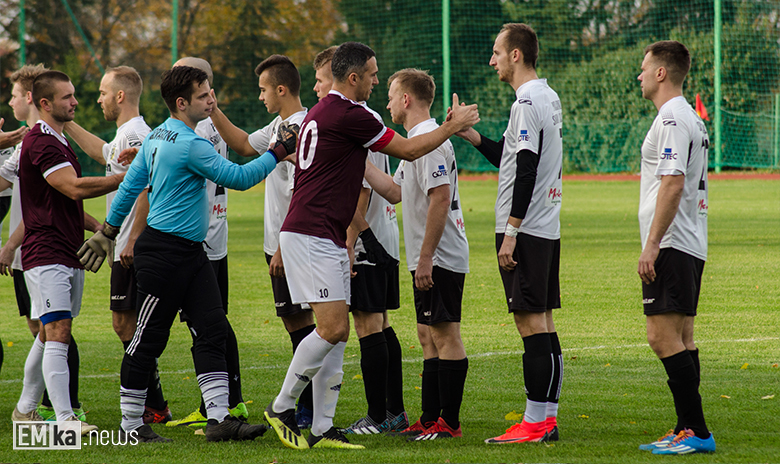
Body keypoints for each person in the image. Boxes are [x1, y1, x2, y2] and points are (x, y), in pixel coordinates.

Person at [263, 41, 479, 451]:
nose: (378, 81)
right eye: (374, 73)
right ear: (353, 78)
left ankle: (323, 428)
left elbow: (386, 186)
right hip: (313, 231)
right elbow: (409, 148)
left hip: (319, 231)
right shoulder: (351, 113)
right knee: (334, 328)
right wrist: (452, 126)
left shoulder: (323, 111)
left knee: (338, 333)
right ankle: (282, 406)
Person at [79, 65, 295, 442]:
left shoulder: (159, 134)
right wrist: (279, 150)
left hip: (190, 254)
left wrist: (110, 230)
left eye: (210, 91)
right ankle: (131, 425)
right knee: (147, 337)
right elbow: (240, 178)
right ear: (182, 103)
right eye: (202, 95)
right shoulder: (191, 144)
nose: (210, 99)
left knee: (212, 330)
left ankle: (219, 419)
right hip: (165, 254)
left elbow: (131, 185)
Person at [454, 23, 564, 444]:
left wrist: (512, 231)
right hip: (545, 226)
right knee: (544, 322)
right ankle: (546, 419)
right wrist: (472, 136)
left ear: (516, 55)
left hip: (527, 227)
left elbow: (527, 170)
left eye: (497, 52)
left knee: (530, 323)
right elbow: (510, 157)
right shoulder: (546, 96)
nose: (492, 60)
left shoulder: (526, 100)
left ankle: (535, 423)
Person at [205, 54, 317, 430]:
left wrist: (285, 245)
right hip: (279, 242)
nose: (260, 97)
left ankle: (308, 410)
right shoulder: (278, 125)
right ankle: (306, 406)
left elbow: (305, 190)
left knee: (304, 325)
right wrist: (215, 109)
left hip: (295, 242)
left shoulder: (302, 129)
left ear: (281, 89)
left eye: (263, 90)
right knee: (295, 323)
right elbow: (241, 144)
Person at [11, 70, 125, 435]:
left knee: (48, 333)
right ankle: (65, 420)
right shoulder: (41, 142)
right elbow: (73, 188)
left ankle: (25, 409)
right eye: (66, 97)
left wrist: (96, 228)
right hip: (45, 254)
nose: (75, 101)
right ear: (44, 104)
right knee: (58, 329)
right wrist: (127, 178)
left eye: (73, 95)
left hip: (66, 251)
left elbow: (62, 202)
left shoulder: (57, 139)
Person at [363, 68, 469, 441]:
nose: (387, 102)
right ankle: (428, 419)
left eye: (391, 95)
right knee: (427, 334)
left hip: (440, 256)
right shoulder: (416, 141)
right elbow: (395, 192)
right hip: (428, 256)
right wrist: (361, 161)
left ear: (406, 100)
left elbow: (440, 198)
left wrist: (426, 258)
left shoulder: (429, 139)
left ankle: (449, 423)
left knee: (445, 334)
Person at [63, 66, 172, 424]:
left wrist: (134, 237)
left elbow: (146, 186)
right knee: (126, 325)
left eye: (103, 92)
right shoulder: (125, 134)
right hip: (124, 244)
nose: (99, 98)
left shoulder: (137, 134)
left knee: (128, 326)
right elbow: (104, 153)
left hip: (131, 247)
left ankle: (153, 404)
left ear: (120, 96)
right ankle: (153, 403)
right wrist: (63, 123)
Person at [635, 40, 714, 455]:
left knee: (661, 336)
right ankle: (687, 428)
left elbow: (672, 182)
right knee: (683, 338)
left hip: (672, 242)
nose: (641, 74)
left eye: (645, 68)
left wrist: (651, 246)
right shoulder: (691, 119)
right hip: (690, 240)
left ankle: (697, 430)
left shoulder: (671, 118)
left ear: (662, 72)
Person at [163, 56, 249, 429]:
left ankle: (229, 402)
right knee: (210, 322)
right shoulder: (210, 126)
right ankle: (222, 401)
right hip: (212, 234)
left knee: (210, 323)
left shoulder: (198, 130)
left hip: (201, 238)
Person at [330, 58, 406, 436]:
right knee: (381, 323)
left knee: (367, 323)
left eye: (319, 79)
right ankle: (394, 413)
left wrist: (350, 238)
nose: (316, 88)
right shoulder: (368, 116)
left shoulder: (353, 118)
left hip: (367, 235)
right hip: (383, 231)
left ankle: (377, 417)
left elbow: (359, 185)